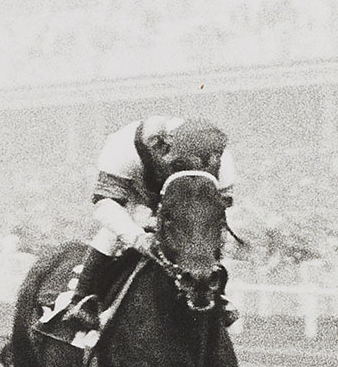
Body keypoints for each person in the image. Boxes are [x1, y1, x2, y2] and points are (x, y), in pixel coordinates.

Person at [50, 115, 234, 328]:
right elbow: (105, 203)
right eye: (179, 164)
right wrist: (138, 237)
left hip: (187, 203)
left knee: (203, 229)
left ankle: (219, 295)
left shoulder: (221, 160)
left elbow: (220, 213)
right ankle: (83, 298)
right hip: (136, 195)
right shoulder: (124, 148)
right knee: (113, 231)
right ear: (162, 148)